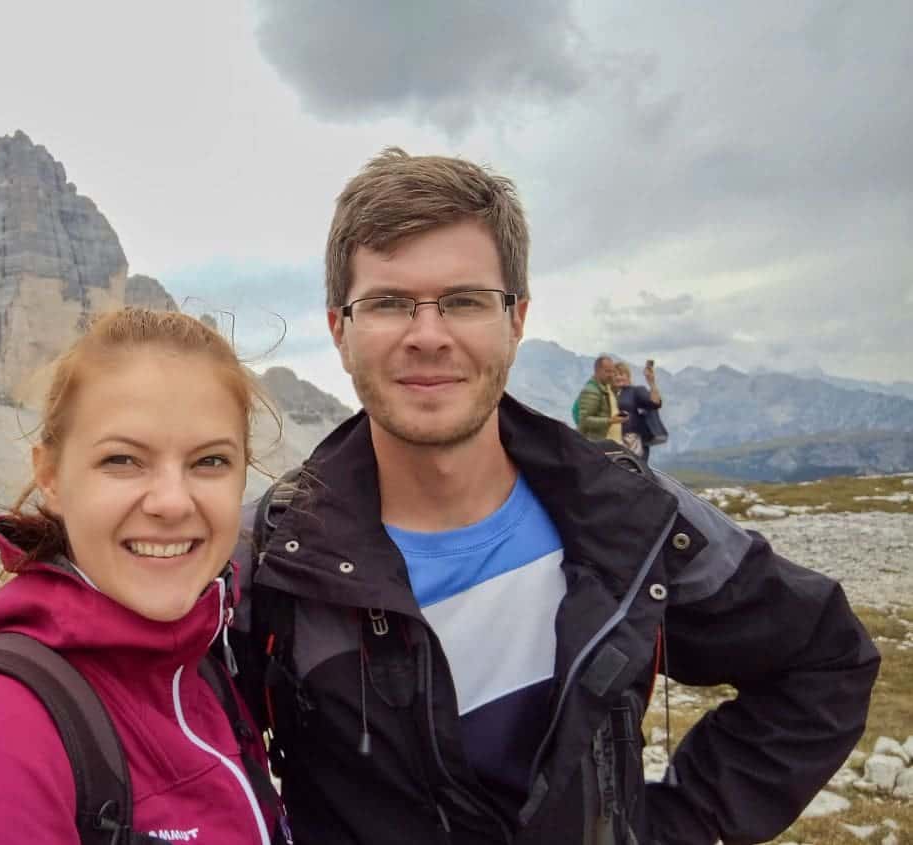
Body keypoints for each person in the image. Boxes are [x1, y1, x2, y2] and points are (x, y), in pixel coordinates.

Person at [227, 149, 879, 844]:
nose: (427, 334)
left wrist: (674, 827)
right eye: (387, 303)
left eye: (465, 300)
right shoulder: (264, 556)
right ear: (339, 329)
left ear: (517, 318)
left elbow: (825, 659)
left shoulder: (630, 518)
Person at [0, 308, 286, 844]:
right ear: (49, 476)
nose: (171, 501)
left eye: (209, 462)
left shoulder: (208, 673)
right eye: (122, 460)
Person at [614, 361, 664, 461]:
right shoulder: (609, 393)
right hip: (614, 441)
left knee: (633, 470)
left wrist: (651, 382)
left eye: (621, 374)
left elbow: (655, 403)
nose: (618, 377)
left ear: (628, 376)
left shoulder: (635, 391)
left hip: (632, 442)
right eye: (615, 375)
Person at [576, 354, 626, 443]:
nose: (611, 375)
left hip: (609, 443)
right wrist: (610, 421)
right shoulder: (592, 390)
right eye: (607, 371)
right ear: (597, 371)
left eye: (612, 371)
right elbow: (584, 420)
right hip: (596, 444)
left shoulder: (606, 387)